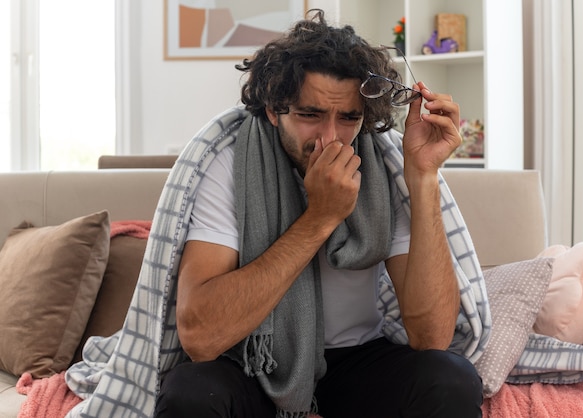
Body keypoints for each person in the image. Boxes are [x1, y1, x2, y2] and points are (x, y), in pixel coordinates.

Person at [155, 8, 483, 418]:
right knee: (191, 390)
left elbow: (431, 336)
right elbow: (199, 337)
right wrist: (320, 218)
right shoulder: (229, 163)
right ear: (274, 109)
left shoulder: (385, 167)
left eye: (348, 118)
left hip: (357, 361)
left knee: (450, 377)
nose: (330, 139)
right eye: (310, 115)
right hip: (254, 361)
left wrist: (423, 175)